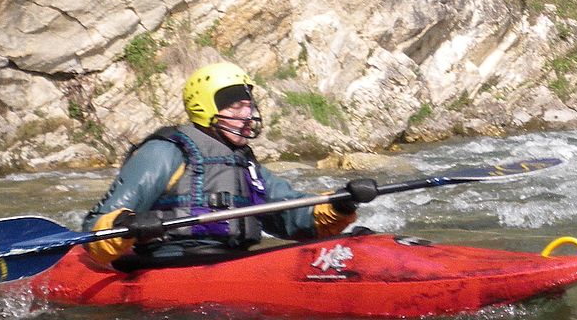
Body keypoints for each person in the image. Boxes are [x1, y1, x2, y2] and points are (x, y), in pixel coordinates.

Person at [81, 62, 375, 266]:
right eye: (236, 106)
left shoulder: (244, 162)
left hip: (230, 258)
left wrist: (340, 203)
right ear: (206, 108)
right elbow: (95, 226)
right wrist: (129, 224)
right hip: (170, 262)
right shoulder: (164, 152)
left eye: (249, 105)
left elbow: (289, 215)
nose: (248, 115)